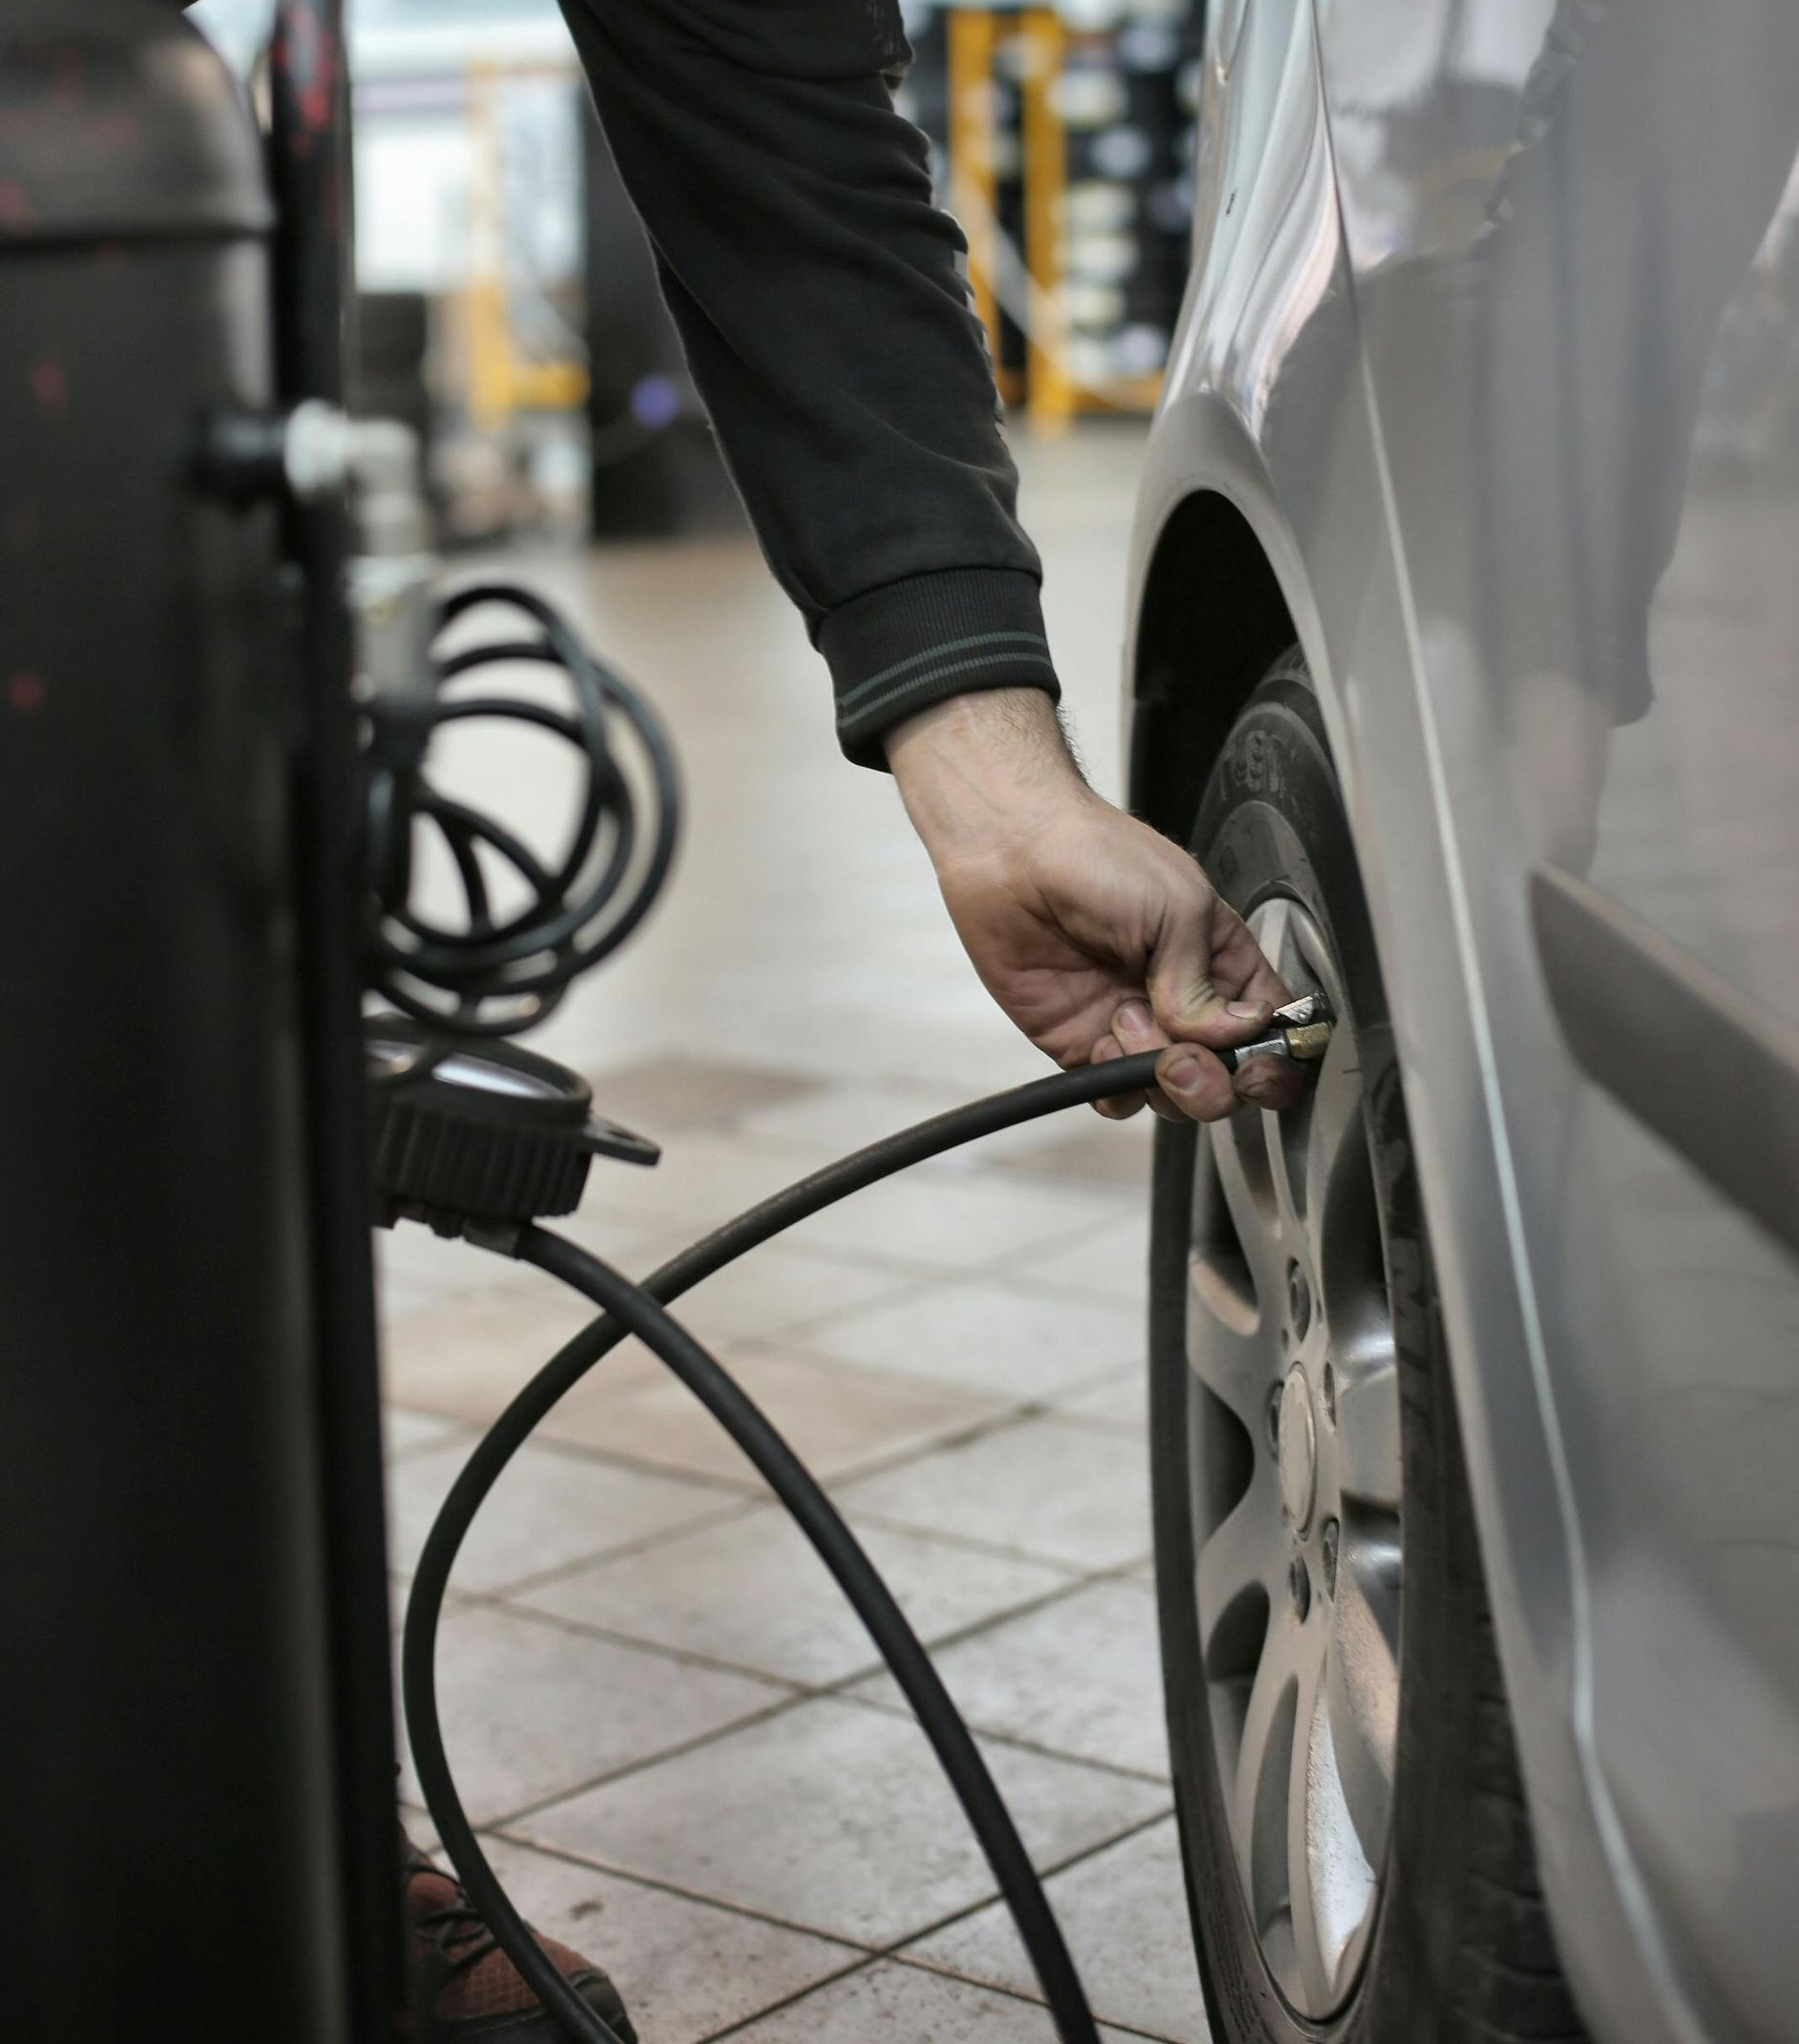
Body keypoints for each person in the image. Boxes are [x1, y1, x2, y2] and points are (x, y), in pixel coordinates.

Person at [183, 0, 1300, 2034]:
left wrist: (986, 749)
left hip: (110, 391)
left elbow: (760, 74)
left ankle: (229, 1795)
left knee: (155, 1038)